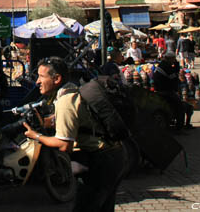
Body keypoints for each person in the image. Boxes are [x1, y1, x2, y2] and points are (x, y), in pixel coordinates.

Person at [22, 57, 128, 212]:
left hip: (102, 161)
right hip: (115, 155)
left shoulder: (65, 101)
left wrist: (36, 136)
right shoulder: (73, 90)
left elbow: (65, 145)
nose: (37, 81)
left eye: (41, 76)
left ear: (57, 78)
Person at [153, 52, 194, 130]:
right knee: (180, 107)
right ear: (170, 59)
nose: (174, 60)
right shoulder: (166, 67)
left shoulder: (163, 65)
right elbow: (174, 78)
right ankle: (179, 127)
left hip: (162, 90)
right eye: (173, 59)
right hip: (166, 91)